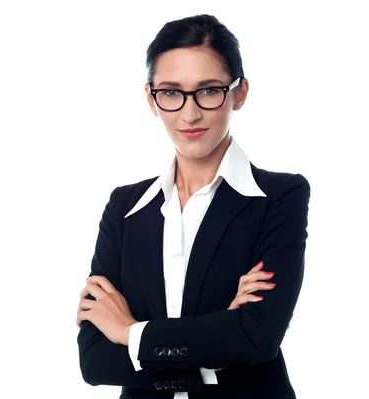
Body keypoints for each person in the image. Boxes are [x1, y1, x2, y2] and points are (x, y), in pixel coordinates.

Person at [76, 14, 310, 399]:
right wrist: (217, 343)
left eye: (208, 90)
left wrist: (128, 331)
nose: (190, 113)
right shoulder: (125, 207)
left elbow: (257, 337)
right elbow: (95, 361)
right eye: (171, 92)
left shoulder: (279, 197)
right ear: (152, 98)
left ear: (240, 92)